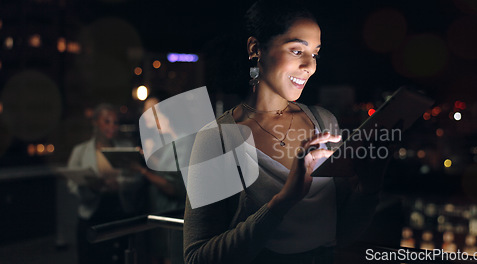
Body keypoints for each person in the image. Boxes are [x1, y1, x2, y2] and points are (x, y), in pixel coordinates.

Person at [183, 1, 388, 264]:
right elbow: (197, 258)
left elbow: (340, 236)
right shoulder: (218, 139)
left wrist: (367, 191)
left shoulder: (324, 124)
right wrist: (283, 201)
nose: (309, 66)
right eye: (296, 50)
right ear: (255, 48)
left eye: (315, 53)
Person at [67, 103, 143, 264]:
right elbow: (72, 183)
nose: (112, 127)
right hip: (92, 214)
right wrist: (90, 187)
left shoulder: (127, 147)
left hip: (120, 212)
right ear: (96, 122)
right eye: (107, 121)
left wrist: (120, 184)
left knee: (120, 257)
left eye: (116, 122)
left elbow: (137, 178)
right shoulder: (80, 151)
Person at [134, 95, 186, 264]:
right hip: (157, 212)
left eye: (151, 110)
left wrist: (142, 170)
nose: (145, 114)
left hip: (174, 216)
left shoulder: (182, 141)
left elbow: (175, 187)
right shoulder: (158, 140)